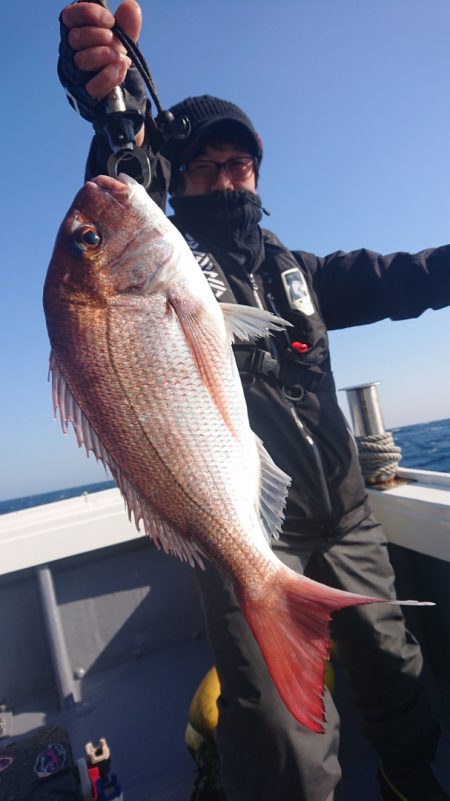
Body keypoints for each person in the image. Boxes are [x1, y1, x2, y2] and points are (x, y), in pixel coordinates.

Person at [57, 4, 450, 801]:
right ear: (178, 181)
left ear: (259, 176)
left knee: (396, 671)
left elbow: (402, 277)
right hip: (246, 528)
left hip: (347, 515)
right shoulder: (170, 261)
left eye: (240, 165)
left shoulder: (303, 272)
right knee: (277, 738)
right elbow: (121, 195)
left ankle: (408, 779)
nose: (226, 178)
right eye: (205, 167)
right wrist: (101, 95)